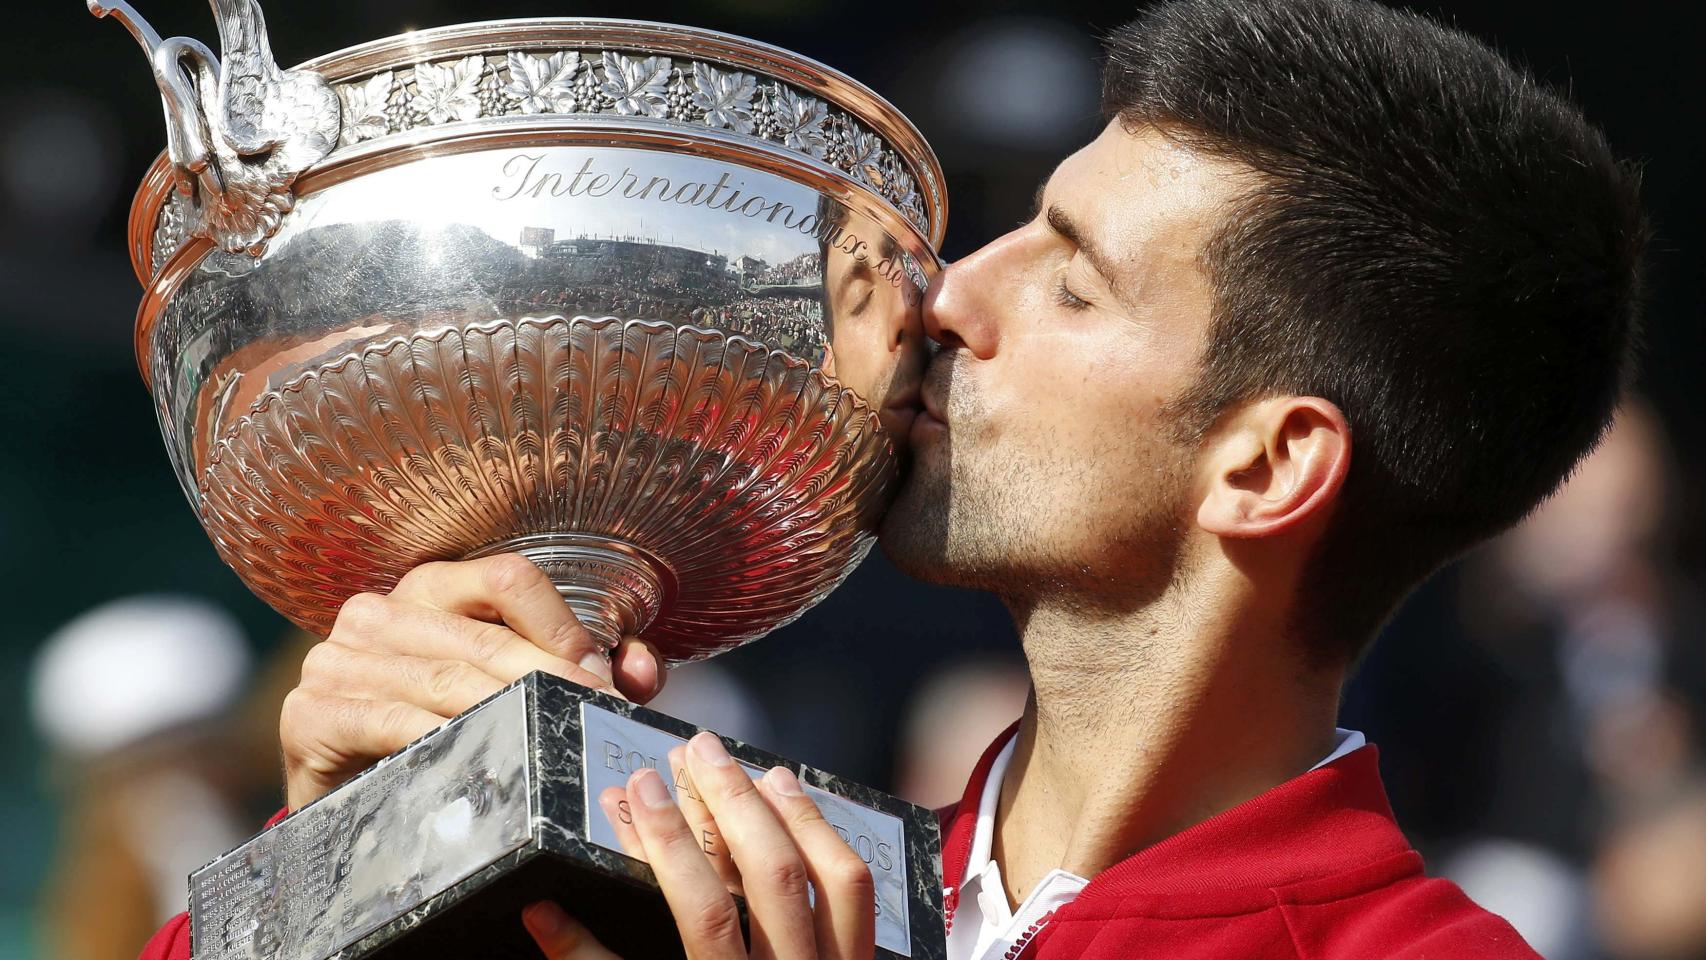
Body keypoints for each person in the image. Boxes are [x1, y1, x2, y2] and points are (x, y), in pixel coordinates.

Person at [138, 0, 1646, 957]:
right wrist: (338, 878)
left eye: (1069, 282)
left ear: (1264, 464)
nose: (942, 296)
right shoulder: (732, 875)